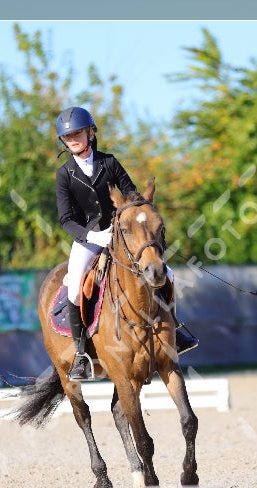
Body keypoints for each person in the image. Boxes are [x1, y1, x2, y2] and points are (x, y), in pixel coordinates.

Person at [54, 106, 198, 380]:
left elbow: (132, 194)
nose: (73, 139)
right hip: (88, 239)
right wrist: (92, 235)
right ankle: (83, 354)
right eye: (68, 136)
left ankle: (175, 331)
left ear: (90, 133)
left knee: (168, 273)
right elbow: (65, 219)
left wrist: (132, 222)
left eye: (77, 133)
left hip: (122, 234)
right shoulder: (64, 174)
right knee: (74, 289)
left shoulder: (109, 163)